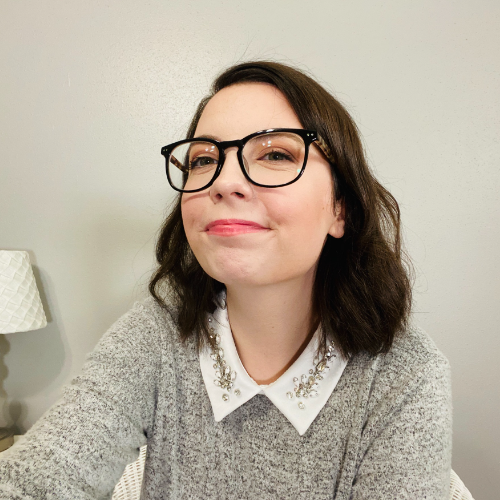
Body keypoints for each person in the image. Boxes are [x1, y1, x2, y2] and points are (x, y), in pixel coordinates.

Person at [0, 61, 452, 499]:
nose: (224, 181)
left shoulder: (404, 374)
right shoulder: (152, 336)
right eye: (203, 159)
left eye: (275, 154)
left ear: (341, 209)